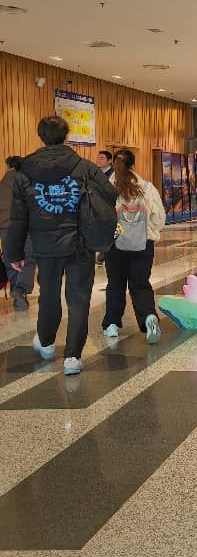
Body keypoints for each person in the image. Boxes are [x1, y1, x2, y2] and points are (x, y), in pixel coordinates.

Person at [6, 116, 117, 375]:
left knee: (48, 295)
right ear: (66, 137)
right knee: (78, 299)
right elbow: (110, 194)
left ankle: (46, 342)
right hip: (80, 243)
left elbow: (18, 217)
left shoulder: (25, 172)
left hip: (44, 246)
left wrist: (14, 253)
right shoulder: (84, 167)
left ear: (41, 137)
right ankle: (72, 357)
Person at [102, 149, 165, 344]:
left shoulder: (106, 189)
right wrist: (149, 231)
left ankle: (112, 324)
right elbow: (159, 218)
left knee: (115, 284)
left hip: (115, 244)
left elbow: (100, 217)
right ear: (134, 165)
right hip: (143, 243)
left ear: (114, 165)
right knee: (140, 284)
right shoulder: (146, 187)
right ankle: (148, 317)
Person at [0, 156, 35, 310]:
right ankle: (20, 289)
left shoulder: (1, 184)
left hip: (5, 228)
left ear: (8, 166)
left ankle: (16, 290)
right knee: (27, 259)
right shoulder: (27, 181)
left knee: (11, 260)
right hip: (25, 227)